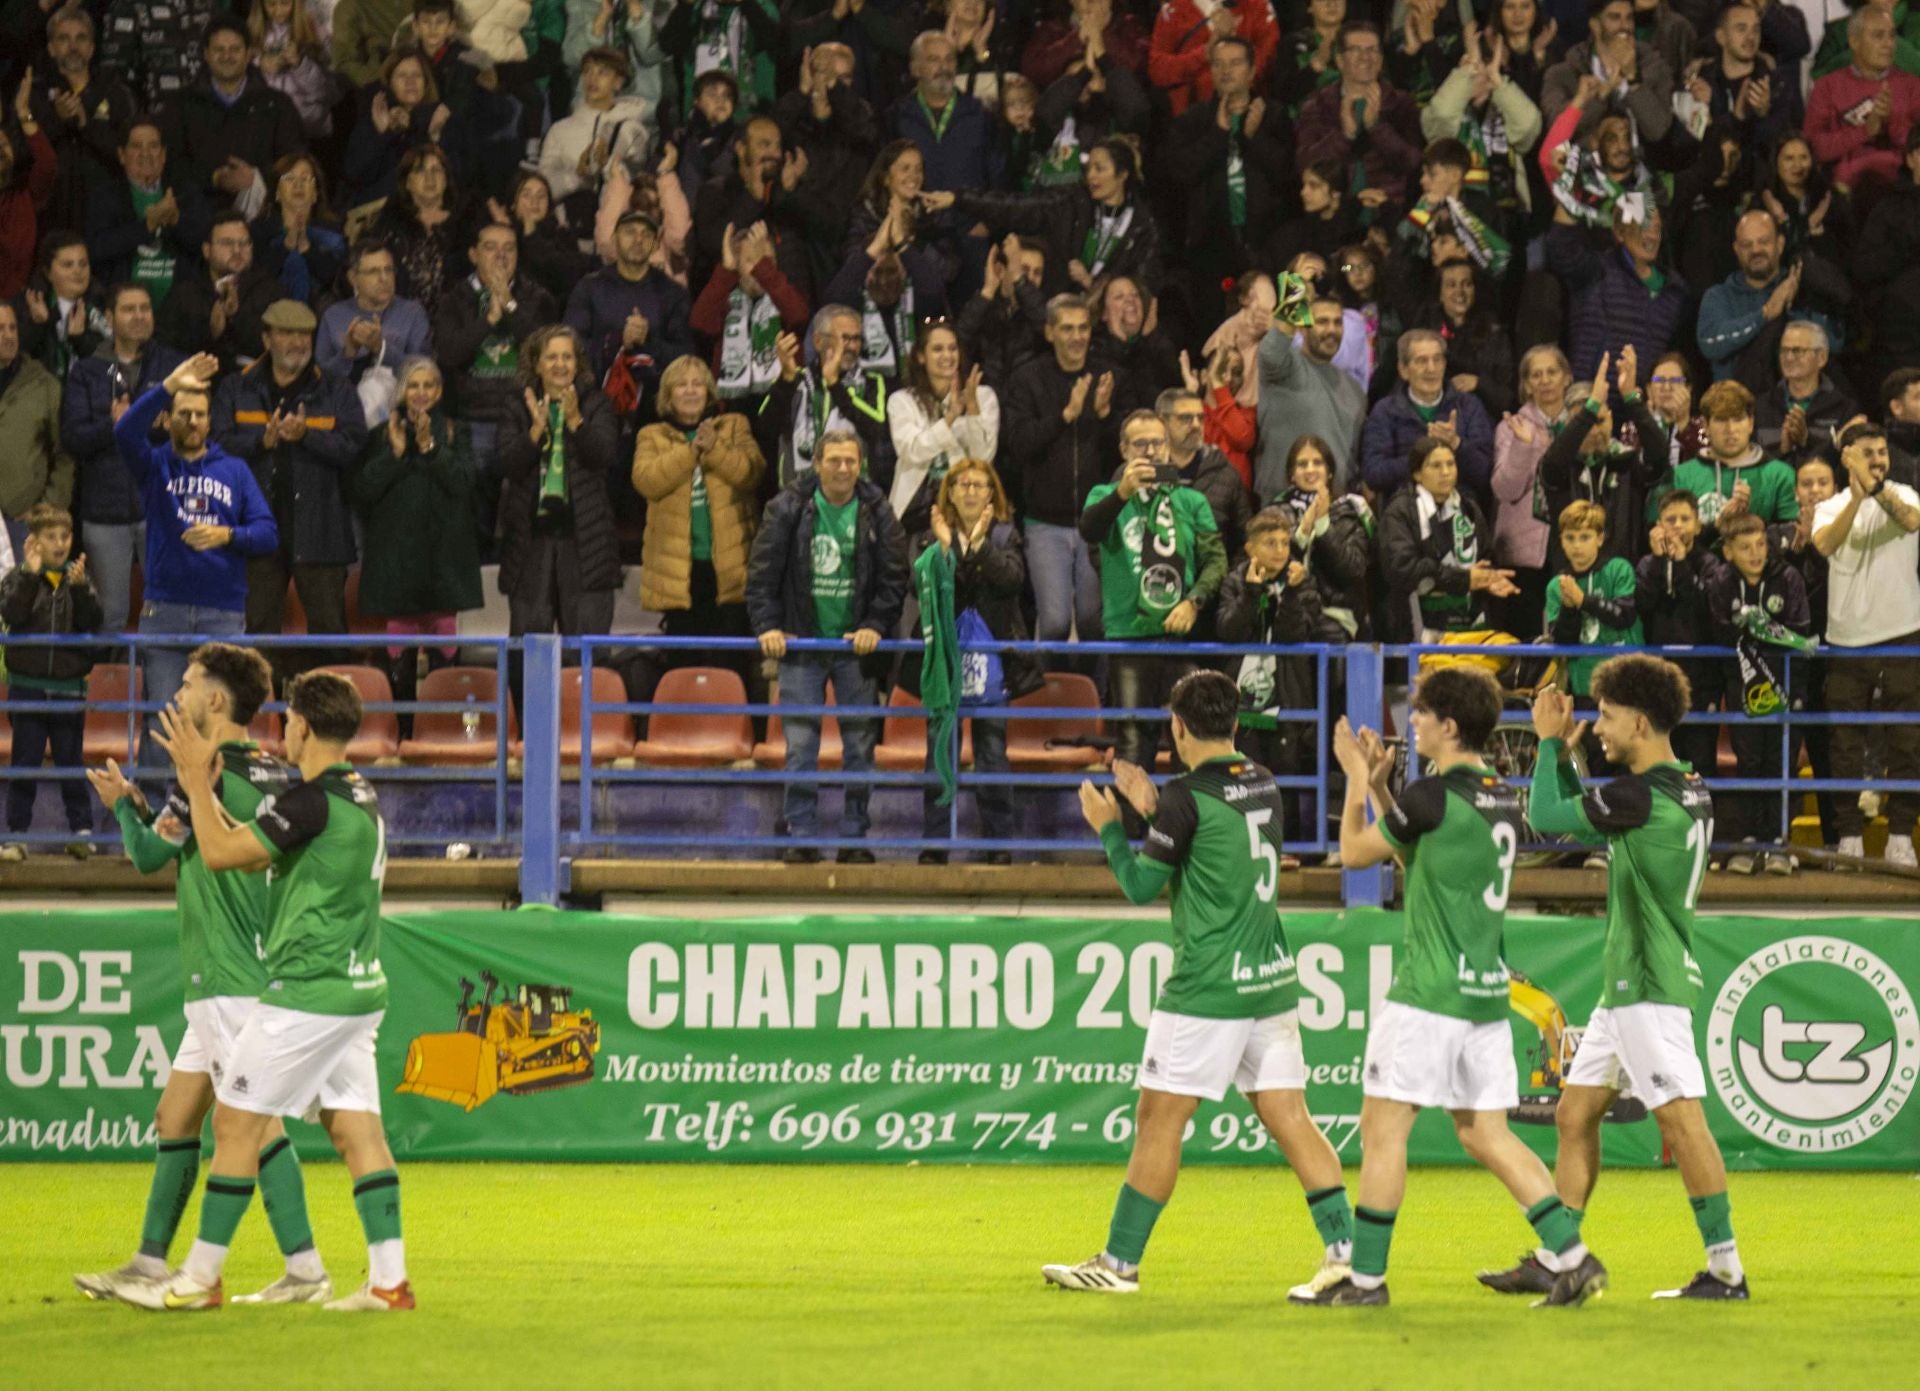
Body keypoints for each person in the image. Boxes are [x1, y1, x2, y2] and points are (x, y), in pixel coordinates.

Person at [1046, 669, 1353, 1296]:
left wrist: (1110, 825)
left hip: (1209, 986)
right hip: (1269, 977)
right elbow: (1223, 850)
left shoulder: (1187, 796)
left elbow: (1140, 887)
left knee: (1159, 1118)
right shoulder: (1263, 781)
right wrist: (1156, 810)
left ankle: (1118, 1265)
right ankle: (1346, 1252)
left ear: (1177, 727)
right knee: (1292, 1117)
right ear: (1235, 724)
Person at [124, 670, 413, 1314]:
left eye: (287, 722)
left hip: (308, 993)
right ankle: (389, 1282)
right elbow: (254, 843)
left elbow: (224, 851)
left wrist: (197, 781)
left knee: (234, 1124)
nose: (281, 731)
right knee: (358, 1134)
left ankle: (199, 1279)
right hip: (360, 989)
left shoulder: (312, 802)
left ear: (304, 726)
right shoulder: (356, 794)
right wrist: (203, 787)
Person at [1314, 671, 1602, 1308]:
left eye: (1420, 715)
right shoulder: (1497, 797)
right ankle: (1574, 1256)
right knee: (1485, 1134)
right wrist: (1390, 789)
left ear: (1449, 726)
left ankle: (1364, 1282)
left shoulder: (1434, 795)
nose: (1411, 723)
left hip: (1428, 997)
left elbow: (1359, 853)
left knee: (1382, 1131)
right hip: (1483, 999)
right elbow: (1423, 852)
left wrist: (1358, 778)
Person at [70, 642, 330, 1306]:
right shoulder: (274, 772)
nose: (178, 691)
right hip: (255, 963)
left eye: (188, 682)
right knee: (176, 1114)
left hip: (229, 974)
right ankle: (150, 1260)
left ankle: (302, 1268)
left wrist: (124, 807)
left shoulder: (206, 777)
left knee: (254, 1124)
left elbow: (151, 855)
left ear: (215, 700)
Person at [1509, 659, 1748, 1302]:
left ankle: (1726, 1270)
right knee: (1573, 1112)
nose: (1600, 728)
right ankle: (1561, 1255)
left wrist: (1550, 742)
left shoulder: (1642, 796)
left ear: (1640, 722)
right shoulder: (1687, 785)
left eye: (1608, 715)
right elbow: (1577, 808)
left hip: (1649, 983)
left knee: (1680, 1120)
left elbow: (1546, 814)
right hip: (1629, 986)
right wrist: (1565, 754)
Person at [746, 428, 908, 865]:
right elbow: (760, 575)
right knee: (800, 747)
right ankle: (802, 836)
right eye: (833, 460)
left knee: (860, 748)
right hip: (801, 647)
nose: (842, 468)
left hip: (856, 651)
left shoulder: (879, 511)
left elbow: (895, 579)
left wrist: (875, 624)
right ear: (816, 464)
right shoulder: (786, 507)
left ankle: (855, 838)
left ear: (861, 466)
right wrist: (769, 627)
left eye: (850, 461)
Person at [114, 352, 279, 762]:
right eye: (183, 413)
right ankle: (157, 814)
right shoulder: (154, 467)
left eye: (200, 414)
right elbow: (124, 432)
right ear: (167, 420)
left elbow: (268, 534)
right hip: (164, 611)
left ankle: (216, 813)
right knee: (163, 722)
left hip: (222, 613)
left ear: (210, 420)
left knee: (221, 723)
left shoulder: (236, 470)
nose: (193, 421)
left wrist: (227, 534)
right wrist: (168, 385)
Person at [1079, 409, 1228, 814]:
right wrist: (1122, 492)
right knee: (1132, 739)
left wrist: (1194, 601)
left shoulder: (1191, 498)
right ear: (1124, 450)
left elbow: (1217, 560)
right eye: (1140, 444)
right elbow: (1089, 530)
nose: (1150, 451)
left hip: (1181, 634)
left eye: (1157, 443)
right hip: (1128, 633)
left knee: (1192, 737)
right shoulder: (1102, 495)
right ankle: (1128, 839)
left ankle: (1185, 837)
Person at [211, 299, 369, 674]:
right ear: (266, 338)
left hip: (321, 530)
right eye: (287, 333)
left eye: (304, 335)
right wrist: (258, 444)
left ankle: (328, 721)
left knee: (330, 636)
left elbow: (354, 447)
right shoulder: (235, 387)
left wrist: (305, 437)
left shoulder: (336, 390)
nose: (298, 342)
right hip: (255, 532)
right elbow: (214, 447)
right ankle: (257, 721)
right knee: (253, 636)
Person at [905, 456, 1039, 866]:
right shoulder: (930, 537)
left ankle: (998, 845)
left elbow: (1011, 581)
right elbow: (919, 586)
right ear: (948, 493)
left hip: (993, 661)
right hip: (944, 661)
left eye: (979, 485)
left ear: (991, 495)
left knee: (992, 755)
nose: (970, 491)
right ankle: (935, 844)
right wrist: (948, 548)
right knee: (939, 755)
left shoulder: (1005, 534)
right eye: (961, 484)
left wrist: (977, 547)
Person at [1811, 422, 1920, 867]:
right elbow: (1824, 545)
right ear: (1847, 457)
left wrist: (1874, 489)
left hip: (1902, 637)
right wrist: (1856, 497)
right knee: (1844, 745)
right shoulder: (1830, 506)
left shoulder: (1905, 493)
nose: (1878, 459)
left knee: (1907, 743)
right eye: (1867, 453)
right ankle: (1849, 838)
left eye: (1882, 452)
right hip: (1846, 642)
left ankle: (1900, 836)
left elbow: (1910, 521)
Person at [348, 357, 484, 709]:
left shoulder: (456, 432)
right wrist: (393, 455)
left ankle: (442, 728)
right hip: (397, 567)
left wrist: (430, 449)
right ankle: (403, 732)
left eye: (428, 385)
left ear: (439, 392)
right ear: (402, 391)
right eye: (413, 385)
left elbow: (465, 483)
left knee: (445, 660)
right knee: (399, 660)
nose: (420, 393)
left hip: (444, 566)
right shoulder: (381, 436)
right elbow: (362, 490)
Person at [497, 325, 624, 695]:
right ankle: (525, 739)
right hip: (531, 545)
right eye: (551, 357)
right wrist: (535, 432)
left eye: (567, 356)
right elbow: (506, 463)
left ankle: (584, 738)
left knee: (585, 652)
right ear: (536, 364)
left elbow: (605, 455)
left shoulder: (595, 402)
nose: (559, 364)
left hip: (586, 546)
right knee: (527, 651)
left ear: (578, 363)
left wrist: (575, 422)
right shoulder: (517, 406)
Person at [61, 285, 185, 634]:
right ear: (110, 318)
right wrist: (114, 424)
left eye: (145, 308)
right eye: (129, 309)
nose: (139, 316)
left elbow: (193, 430)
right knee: (111, 614)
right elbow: (73, 438)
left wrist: (158, 425)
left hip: (162, 506)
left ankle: (164, 686)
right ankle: (111, 686)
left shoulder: (173, 365)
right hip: (105, 511)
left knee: (166, 609)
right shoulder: (86, 372)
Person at [630, 354, 767, 660]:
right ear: (668, 395)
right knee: (683, 668)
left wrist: (715, 450)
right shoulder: (651, 435)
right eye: (681, 385)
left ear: (708, 391)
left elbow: (751, 473)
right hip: (680, 573)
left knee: (731, 667)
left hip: (731, 571)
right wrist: (692, 451)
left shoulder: (733, 426)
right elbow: (647, 481)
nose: (691, 391)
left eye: (697, 384)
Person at [1703, 511, 1812, 874]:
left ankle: (1779, 842)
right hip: (1742, 686)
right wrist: (1764, 633)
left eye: (1761, 544)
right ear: (1729, 552)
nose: (1755, 553)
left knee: (1781, 763)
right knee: (1749, 762)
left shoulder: (1789, 577)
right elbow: (1721, 633)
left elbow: (1801, 631)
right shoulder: (1721, 581)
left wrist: (1757, 631)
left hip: (1786, 684)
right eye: (1745, 547)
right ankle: (1748, 842)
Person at [0, 505, 104, 861]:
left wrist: (80, 592)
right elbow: (12, 614)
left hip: (68, 688)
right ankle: (15, 836)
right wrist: (29, 576)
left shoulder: (81, 580)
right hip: (27, 688)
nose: (60, 544)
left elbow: (93, 623)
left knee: (70, 763)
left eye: (65, 536)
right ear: (34, 541)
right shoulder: (17, 577)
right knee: (24, 763)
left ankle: (82, 831)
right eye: (51, 537)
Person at [156, 15, 307, 219]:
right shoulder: (179, 105)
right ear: (206, 55)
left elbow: (294, 162)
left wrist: (256, 178)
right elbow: (170, 166)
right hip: (197, 219)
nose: (227, 56)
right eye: (219, 49)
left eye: (235, 49)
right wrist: (214, 178)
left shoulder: (278, 104)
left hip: (265, 218)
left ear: (248, 55)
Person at [1380, 434, 1516, 642]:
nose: (1445, 472)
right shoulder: (1399, 512)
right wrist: (1463, 579)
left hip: (1470, 623)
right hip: (1418, 628)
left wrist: (1488, 578)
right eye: (1435, 466)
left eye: (1450, 464)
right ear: (1417, 474)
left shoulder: (1469, 508)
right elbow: (1403, 569)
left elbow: (1484, 558)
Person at [1695, 210, 1843, 389]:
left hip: (1796, 406)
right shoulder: (1718, 296)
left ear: (1780, 244)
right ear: (1736, 249)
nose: (1756, 250)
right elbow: (1710, 344)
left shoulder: (1803, 290)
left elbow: (1832, 344)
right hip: (1736, 410)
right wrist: (1764, 314)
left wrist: (1793, 306)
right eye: (1747, 244)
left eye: (1763, 242)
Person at [888, 323, 998, 538]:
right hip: (915, 513)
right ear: (921, 356)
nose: (947, 355)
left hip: (966, 509)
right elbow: (912, 451)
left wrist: (972, 408)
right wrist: (951, 417)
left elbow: (983, 460)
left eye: (952, 348)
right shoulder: (902, 401)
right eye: (938, 349)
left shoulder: (983, 396)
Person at [84, 118, 213, 301]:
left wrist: (176, 220)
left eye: (153, 146)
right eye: (136, 146)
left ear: (163, 155)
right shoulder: (105, 196)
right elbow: (96, 249)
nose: (145, 154)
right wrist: (146, 227)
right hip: (122, 300)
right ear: (122, 155)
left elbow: (208, 244)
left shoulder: (185, 192)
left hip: (181, 303)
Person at [1295, 22, 1423, 206]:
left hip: (1387, 209)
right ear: (1339, 61)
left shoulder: (1402, 104)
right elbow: (1305, 164)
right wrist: (1344, 136)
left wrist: (1377, 128)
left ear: (1380, 60)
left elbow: (1412, 164)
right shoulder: (1317, 106)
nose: (1365, 57)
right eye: (1356, 50)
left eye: (1372, 50)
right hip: (1335, 213)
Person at [1360, 329, 1495, 503]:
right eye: (1421, 361)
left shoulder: (1469, 406)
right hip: (1405, 516)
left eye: (1437, 360)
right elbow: (1373, 474)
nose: (1431, 368)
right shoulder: (1385, 411)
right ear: (1404, 369)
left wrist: (1456, 444)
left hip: (1460, 516)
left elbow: (1484, 473)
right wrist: (1422, 456)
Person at [565, 208, 694, 388]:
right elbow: (571, 348)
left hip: (655, 397)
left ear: (656, 244)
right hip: (598, 393)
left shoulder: (673, 293)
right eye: (630, 232)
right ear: (614, 239)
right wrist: (617, 341)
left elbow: (685, 355)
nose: (638, 240)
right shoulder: (589, 288)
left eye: (646, 234)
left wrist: (647, 341)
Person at [1662, 380, 1799, 550]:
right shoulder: (1681, 476)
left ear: (1750, 423)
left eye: (1738, 419)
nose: (1730, 429)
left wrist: (1748, 522)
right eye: (1721, 420)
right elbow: (1670, 541)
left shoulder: (1781, 474)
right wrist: (1716, 526)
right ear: (1705, 425)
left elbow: (1792, 541)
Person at [1254, 296, 1365, 499]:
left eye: (1337, 322)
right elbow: (1271, 350)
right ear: (1302, 328)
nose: (1331, 329)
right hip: (1280, 508)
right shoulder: (1284, 368)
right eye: (1322, 322)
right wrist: (1295, 289)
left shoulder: (1355, 391)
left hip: (1334, 509)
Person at [1806, 6, 1920, 200]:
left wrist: (1891, 122)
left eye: (1891, 36)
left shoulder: (1912, 86)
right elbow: (1814, 148)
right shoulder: (1827, 87)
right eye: (1878, 36)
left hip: (1903, 193)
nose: (1889, 44)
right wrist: (1865, 130)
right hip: (1843, 194)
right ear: (1854, 42)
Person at [155, 212, 281, 376]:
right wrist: (211, 332)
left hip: (254, 382)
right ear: (207, 250)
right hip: (197, 380)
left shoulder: (270, 290)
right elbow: (165, 348)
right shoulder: (184, 294)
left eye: (244, 243)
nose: (237, 250)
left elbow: (277, 345)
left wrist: (233, 319)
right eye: (227, 243)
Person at [1544, 499, 1643, 705]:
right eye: (1570, 538)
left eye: (1585, 537)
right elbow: (1562, 643)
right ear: (1561, 541)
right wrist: (1569, 609)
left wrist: (1583, 601)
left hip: (1625, 682)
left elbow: (1624, 616)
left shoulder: (1619, 569)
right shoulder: (1557, 585)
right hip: (1583, 687)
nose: (1577, 545)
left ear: (1600, 538)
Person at [539, 45, 648, 223]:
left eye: (602, 72)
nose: (592, 78)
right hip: (569, 228)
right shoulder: (560, 129)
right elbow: (544, 187)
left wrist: (605, 166)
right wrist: (578, 175)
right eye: (587, 71)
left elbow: (636, 183)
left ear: (618, 82)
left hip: (616, 229)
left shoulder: (632, 130)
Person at [316, 240, 434, 396]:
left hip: (399, 408)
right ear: (353, 278)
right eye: (373, 271)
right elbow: (319, 378)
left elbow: (423, 373)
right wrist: (348, 354)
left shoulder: (413, 313)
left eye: (389, 270)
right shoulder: (333, 316)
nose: (384, 278)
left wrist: (381, 348)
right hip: (343, 408)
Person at [0, 301, 72, 552]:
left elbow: (65, 454)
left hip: (25, 526)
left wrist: (48, 509)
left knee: (27, 592)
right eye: (0, 329)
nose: (8, 336)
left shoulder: (45, 386)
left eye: (12, 328)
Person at [1752, 321, 1857, 468]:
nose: (1788, 358)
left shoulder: (1844, 409)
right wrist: (1783, 450)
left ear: (1821, 357)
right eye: (1783, 351)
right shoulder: (1760, 407)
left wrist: (1807, 441)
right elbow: (1752, 465)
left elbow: (1845, 467)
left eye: (1797, 351)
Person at [252, 153, 347, 306]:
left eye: (305, 179)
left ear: (315, 194)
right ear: (277, 193)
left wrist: (306, 248)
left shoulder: (333, 235)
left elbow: (340, 280)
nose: (298, 184)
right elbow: (255, 278)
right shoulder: (260, 230)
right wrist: (287, 245)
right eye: (289, 178)